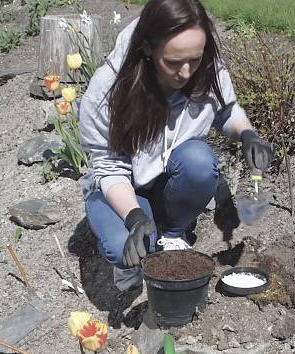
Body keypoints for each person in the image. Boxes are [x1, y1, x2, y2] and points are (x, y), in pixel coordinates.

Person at [79, 0, 273, 292]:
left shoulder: (205, 66)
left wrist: (247, 134)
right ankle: (128, 264)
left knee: (198, 160)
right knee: (123, 246)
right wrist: (134, 217)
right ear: (147, 49)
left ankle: (172, 234)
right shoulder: (108, 90)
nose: (185, 72)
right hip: (119, 188)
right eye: (173, 62)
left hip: (170, 175)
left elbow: (226, 111)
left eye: (193, 60)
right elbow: (109, 168)